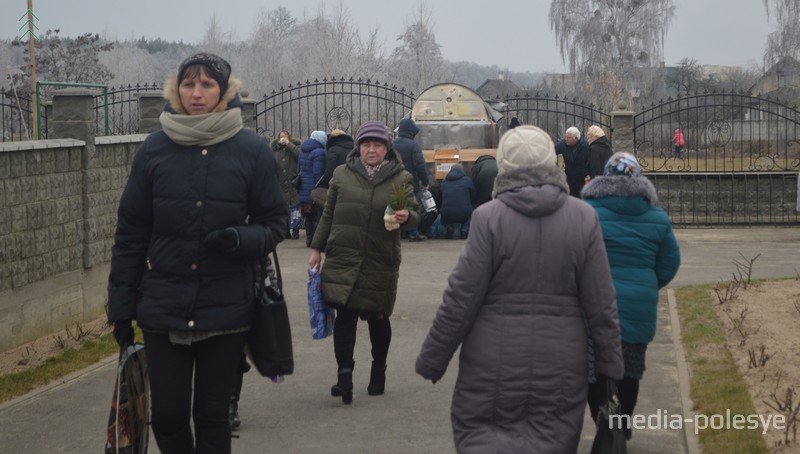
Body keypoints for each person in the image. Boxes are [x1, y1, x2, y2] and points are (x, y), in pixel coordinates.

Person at [107, 52, 287, 453]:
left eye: (207, 84)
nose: (197, 93)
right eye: (189, 84)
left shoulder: (252, 151)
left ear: (224, 92)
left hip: (226, 305)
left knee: (212, 415)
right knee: (168, 416)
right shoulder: (153, 150)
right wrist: (121, 304)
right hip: (163, 304)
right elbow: (131, 232)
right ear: (177, 89)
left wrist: (243, 239)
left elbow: (276, 222)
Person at [415, 125, 623, 453]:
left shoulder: (488, 218)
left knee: (485, 440)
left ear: (505, 166)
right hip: (561, 363)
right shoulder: (583, 218)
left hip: (490, 362)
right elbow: (601, 302)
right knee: (551, 440)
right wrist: (611, 365)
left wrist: (433, 358)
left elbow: (461, 296)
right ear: (551, 163)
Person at [308, 120, 420, 405]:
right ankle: (344, 375)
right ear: (358, 148)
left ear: (387, 148)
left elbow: (415, 213)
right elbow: (329, 213)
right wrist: (316, 248)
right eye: (366, 145)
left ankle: (378, 370)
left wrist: (408, 218)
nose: (371, 150)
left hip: (379, 257)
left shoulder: (401, 178)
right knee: (344, 317)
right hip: (343, 254)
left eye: (377, 145)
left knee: (378, 318)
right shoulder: (341, 174)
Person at [581, 152, 681, 440]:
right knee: (630, 370)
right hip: (639, 309)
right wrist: (647, 285)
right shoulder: (657, 218)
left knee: (593, 369)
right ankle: (622, 425)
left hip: (594, 309)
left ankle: (602, 419)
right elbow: (669, 264)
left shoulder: (587, 213)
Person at [394, 118, 430, 241]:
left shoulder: (392, 145)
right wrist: (425, 182)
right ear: (411, 132)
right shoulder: (413, 145)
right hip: (411, 183)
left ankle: (397, 233)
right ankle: (413, 233)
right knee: (413, 207)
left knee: (397, 206)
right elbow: (420, 166)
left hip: (394, 182)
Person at [271, 129, 302, 239]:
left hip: (293, 181)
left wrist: (289, 144)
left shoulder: (294, 147)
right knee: (283, 207)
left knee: (295, 206)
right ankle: (285, 231)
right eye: (281, 135)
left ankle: (296, 230)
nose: (283, 136)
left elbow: (300, 156)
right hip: (280, 182)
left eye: (285, 134)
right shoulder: (274, 149)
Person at [298, 130, 327, 247]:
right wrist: (319, 186)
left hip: (303, 187)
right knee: (316, 215)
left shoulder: (303, 150)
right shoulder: (319, 152)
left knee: (308, 215)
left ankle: (308, 239)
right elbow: (317, 172)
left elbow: (298, 169)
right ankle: (315, 240)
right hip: (313, 188)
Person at [434, 163, 475, 239]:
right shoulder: (468, 180)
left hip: (447, 215)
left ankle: (449, 227)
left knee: (443, 218)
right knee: (471, 214)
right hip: (464, 213)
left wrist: (439, 210)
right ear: (462, 171)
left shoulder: (444, 182)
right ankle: (464, 231)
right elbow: (473, 196)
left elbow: (439, 199)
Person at [555, 126, 590, 197]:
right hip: (570, 178)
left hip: (582, 179)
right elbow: (552, 151)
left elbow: (590, 161)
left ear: (576, 138)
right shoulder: (563, 144)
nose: (566, 139)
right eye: (566, 137)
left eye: (569, 137)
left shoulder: (585, 146)